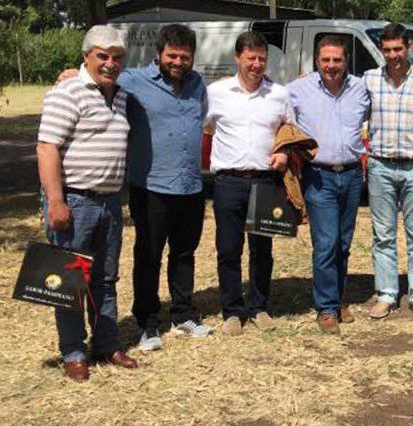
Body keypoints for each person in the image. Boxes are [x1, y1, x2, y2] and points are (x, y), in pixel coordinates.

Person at [37, 25, 136, 381]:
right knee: (70, 281)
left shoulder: (121, 94)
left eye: (117, 57)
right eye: (102, 56)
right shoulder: (67, 92)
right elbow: (46, 147)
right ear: (86, 56)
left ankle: (107, 344)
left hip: (109, 202)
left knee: (105, 279)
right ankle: (74, 352)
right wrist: (56, 201)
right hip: (75, 201)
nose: (110, 63)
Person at [122, 24, 212, 350]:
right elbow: (97, 79)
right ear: (158, 54)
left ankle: (183, 313)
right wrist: (72, 74)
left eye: (185, 57)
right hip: (151, 187)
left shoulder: (197, 83)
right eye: (172, 56)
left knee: (184, 253)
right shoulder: (132, 81)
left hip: (190, 186)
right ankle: (148, 323)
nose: (178, 62)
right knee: (148, 256)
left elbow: (203, 118)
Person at [205, 32, 294, 336]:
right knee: (229, 249)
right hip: (228, 182)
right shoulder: (216, 92)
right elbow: (202, 127)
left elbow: (288, 131)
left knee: (262, 250)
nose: (256, 64)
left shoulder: (279, 94)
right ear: (237, 58)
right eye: (250, 58)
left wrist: (284, 153)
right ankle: (232, 310)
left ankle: (258, 307)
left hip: (265, 181)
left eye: (262, 59)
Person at [288, 35, 371, 334]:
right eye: (326, 60)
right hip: (318, 176)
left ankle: (337, 299)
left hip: (351, 175)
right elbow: (271, 100)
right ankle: (326, 308)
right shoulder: (298, 89)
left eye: (337, 59)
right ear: (316, 61)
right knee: (326, 243)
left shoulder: (362, 88)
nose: (331, 65)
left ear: (347, 61)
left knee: (343, 243)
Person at [363, 23, 413, 320]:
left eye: (398, 49)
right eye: (387, 50)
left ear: (408, 47)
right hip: (380, 165)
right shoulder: (369, 80)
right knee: (383, 235)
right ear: (382, 50)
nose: (393, 55)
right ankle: (387, 294)